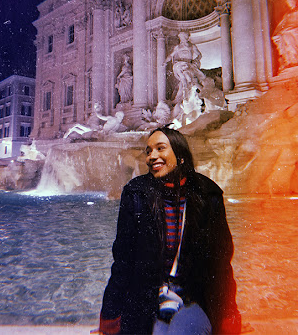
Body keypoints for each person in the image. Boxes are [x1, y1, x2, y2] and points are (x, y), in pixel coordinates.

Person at [99, 127, 241, 334]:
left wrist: (229, 314)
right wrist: (110, 313)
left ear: (181, 156)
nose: (152, 156)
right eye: (148, 151)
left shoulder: (208, 194)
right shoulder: (135, 193)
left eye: (160, 148)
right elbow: (123, 260)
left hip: (192, 295)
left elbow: (220, 263)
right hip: (146, 296)